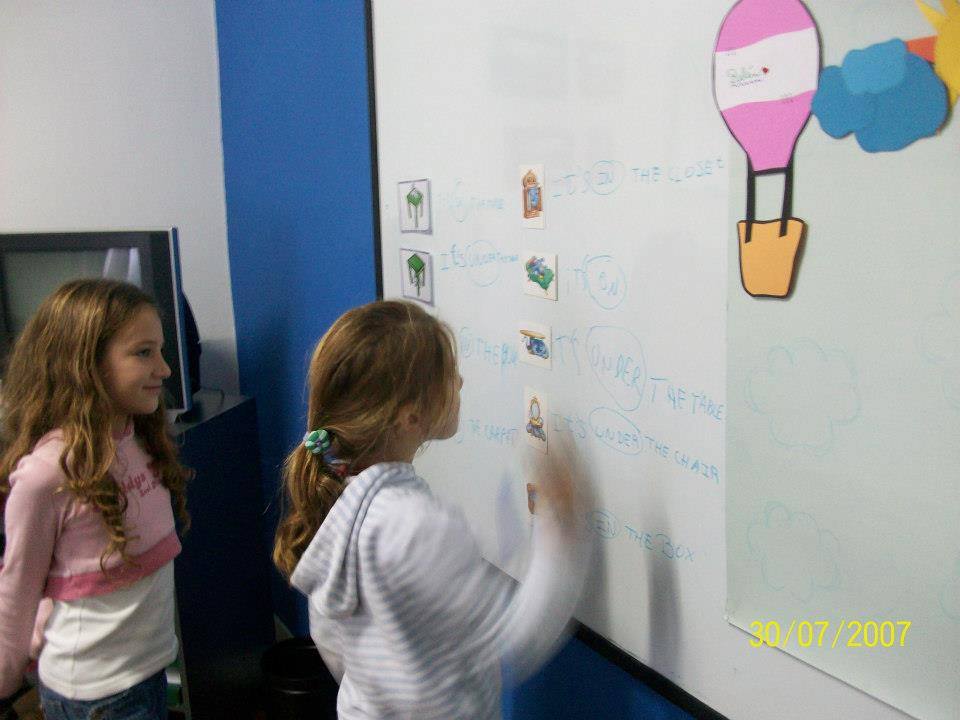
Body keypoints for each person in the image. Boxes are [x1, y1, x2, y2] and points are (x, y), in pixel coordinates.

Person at [274, 299, 589, 719]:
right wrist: (561, 526)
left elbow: (331, 641)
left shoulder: (338, 502)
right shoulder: (417, 526)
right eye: (449, 374)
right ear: (409, 417)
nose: (460, 381)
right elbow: (516, 636)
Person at [0, 279, 190, 720]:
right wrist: (6, 678)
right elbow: (18, 587)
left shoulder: (140, 439)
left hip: (146, 673)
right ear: (86, 365)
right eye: (143, 353)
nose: (164, 369)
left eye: (160, 351)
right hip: (96, 697)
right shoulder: (48, 474)